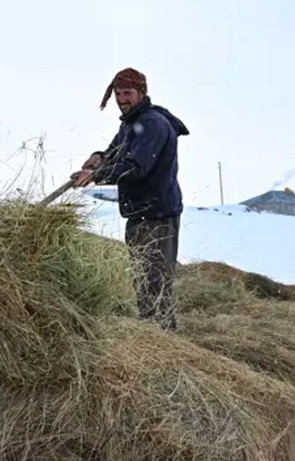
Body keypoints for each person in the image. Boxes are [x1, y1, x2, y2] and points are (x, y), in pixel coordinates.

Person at [73, 68, 189, 330]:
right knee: (143, 278)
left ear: (142, 92)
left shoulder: (152, 124)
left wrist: (96, 176)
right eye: (117, 94)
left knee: (155, 281)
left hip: (157, 214)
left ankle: (161, 338)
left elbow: (135, 168)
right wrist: (99, 158)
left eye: (127, 93)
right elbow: (115, 153)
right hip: (140, 212)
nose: (121, 99)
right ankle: (153, 331)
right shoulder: (131, 122)